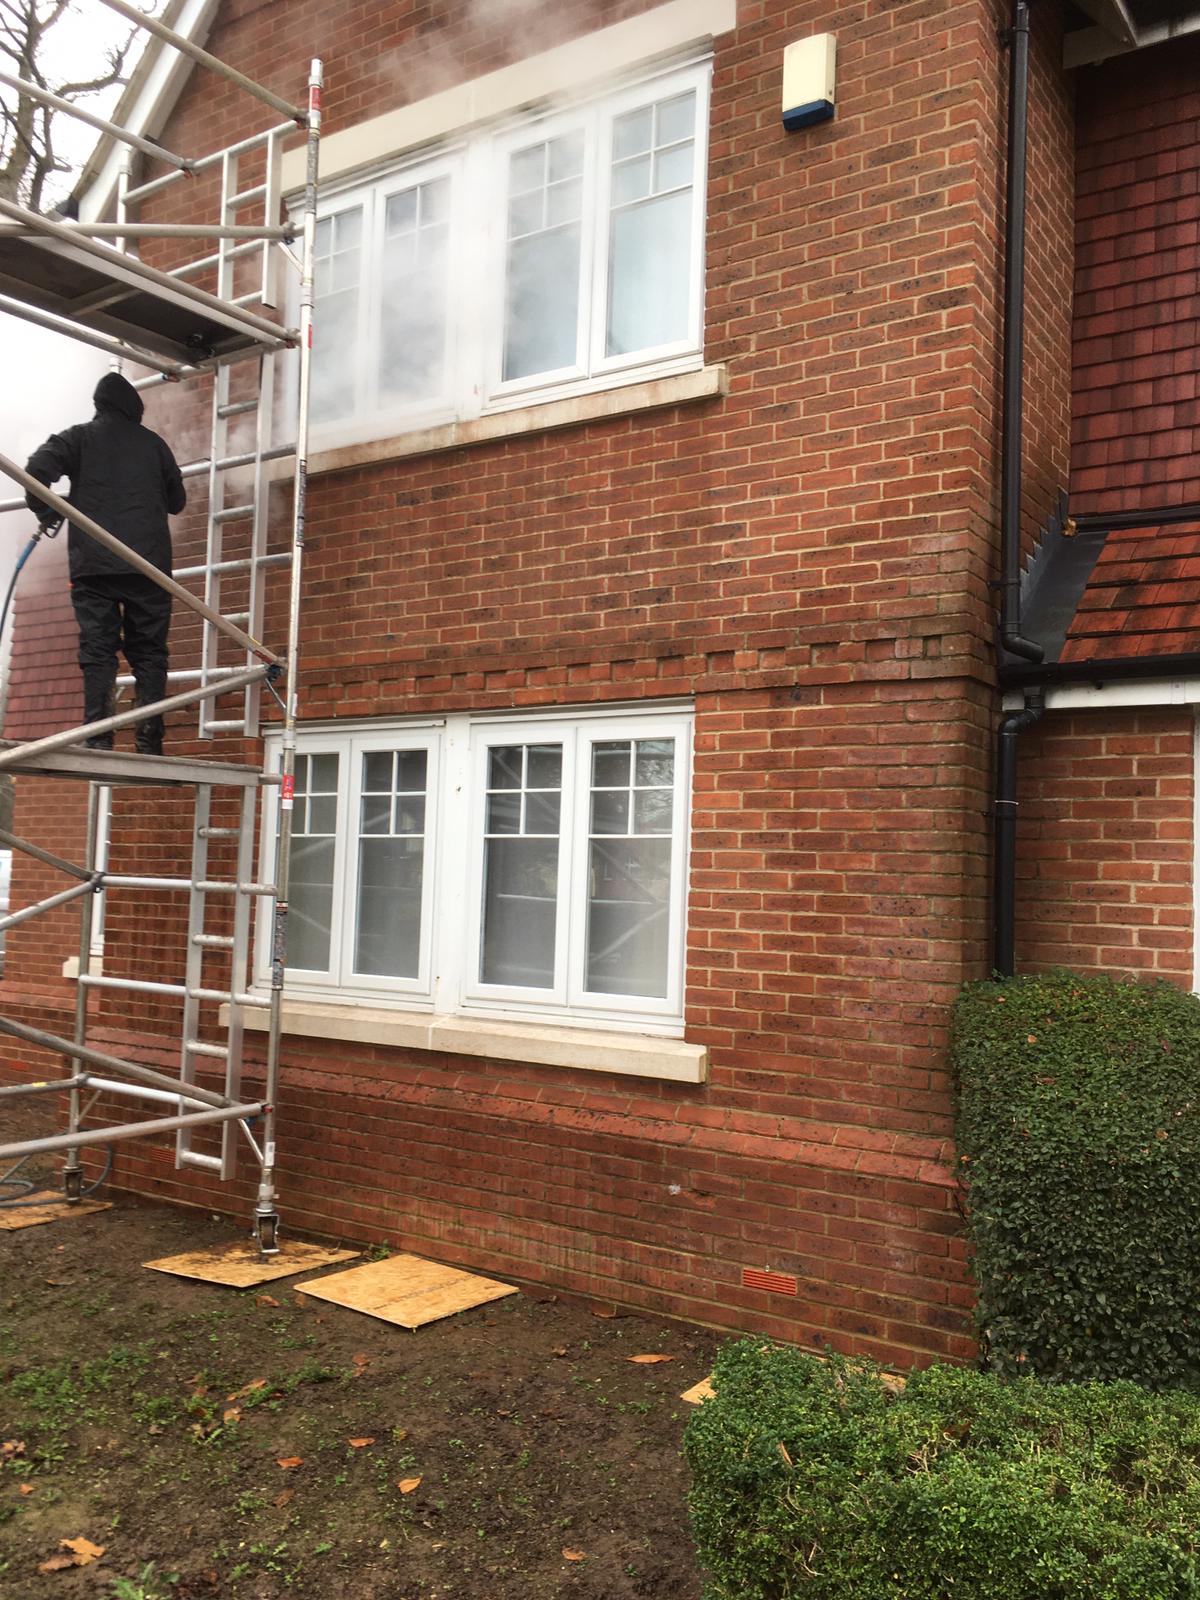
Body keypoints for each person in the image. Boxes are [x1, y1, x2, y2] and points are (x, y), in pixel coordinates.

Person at [25, 372, 186, 755]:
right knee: (149, 651)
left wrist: (48, 511)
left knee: (98, 649)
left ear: (99, 404)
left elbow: (34, 472)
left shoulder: (77, 438)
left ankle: (99, 736)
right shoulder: (155, 446)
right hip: (148, 566)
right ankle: (150, 740)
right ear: (135, 409)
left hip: (93, 565)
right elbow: (176, 502)